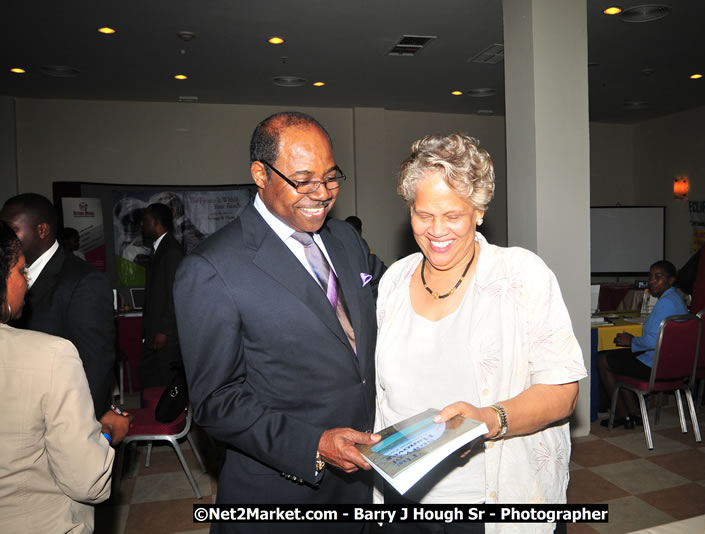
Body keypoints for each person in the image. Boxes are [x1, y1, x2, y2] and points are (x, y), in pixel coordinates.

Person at [173, 111, 386, 534]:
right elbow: (217, 401)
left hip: (364, 483)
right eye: (303, 179)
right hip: (283, 494)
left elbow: (394, 298)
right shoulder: (212, 267)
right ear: (260, 174)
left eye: (330, 177)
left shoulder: (345, 239)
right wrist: (315, 446)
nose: (322, 193)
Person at [373, 133, 587, 534]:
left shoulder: (521, 275)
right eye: (423, 214)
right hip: (404, 501)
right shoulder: (394, 281)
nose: (436, 231)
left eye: (452, 215)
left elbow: (562, 392)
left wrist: (491, 420)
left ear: (479, 210)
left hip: (490, 504)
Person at [0, 220, 127, 532]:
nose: (25, 282)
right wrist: (107, 435)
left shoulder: (83, 279)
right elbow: (87, 481)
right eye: (19, 271)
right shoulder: (50, 355)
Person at [0, 194, 129, 432]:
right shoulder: (7, 279)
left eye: (11, 229)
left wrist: (81, 426)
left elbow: (96, 364)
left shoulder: (83, 280)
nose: (6, 237)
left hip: (59, 420)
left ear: (42, 230)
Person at [598, 260, 688, 428]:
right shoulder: (676, 300)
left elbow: (654, 340)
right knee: (619, 360)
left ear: (671, 280)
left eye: (658, 277)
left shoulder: (666, 303)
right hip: (674, 364)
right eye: (651, 277)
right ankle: (635, 414)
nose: (652, 281)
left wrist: (631, 341)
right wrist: (634, 342)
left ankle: (622, 414)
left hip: (656, 366)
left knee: (604, 361)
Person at [139, 202, 184, 388]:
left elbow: (175, 293)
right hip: (154, 329)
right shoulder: (159, 248)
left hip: (164, 333)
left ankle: (172, 417)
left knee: (166, 380)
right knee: (151, 378)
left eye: (145, 221)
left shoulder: (171, 251)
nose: (142, 225)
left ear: (156, 222)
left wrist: (164, 330)